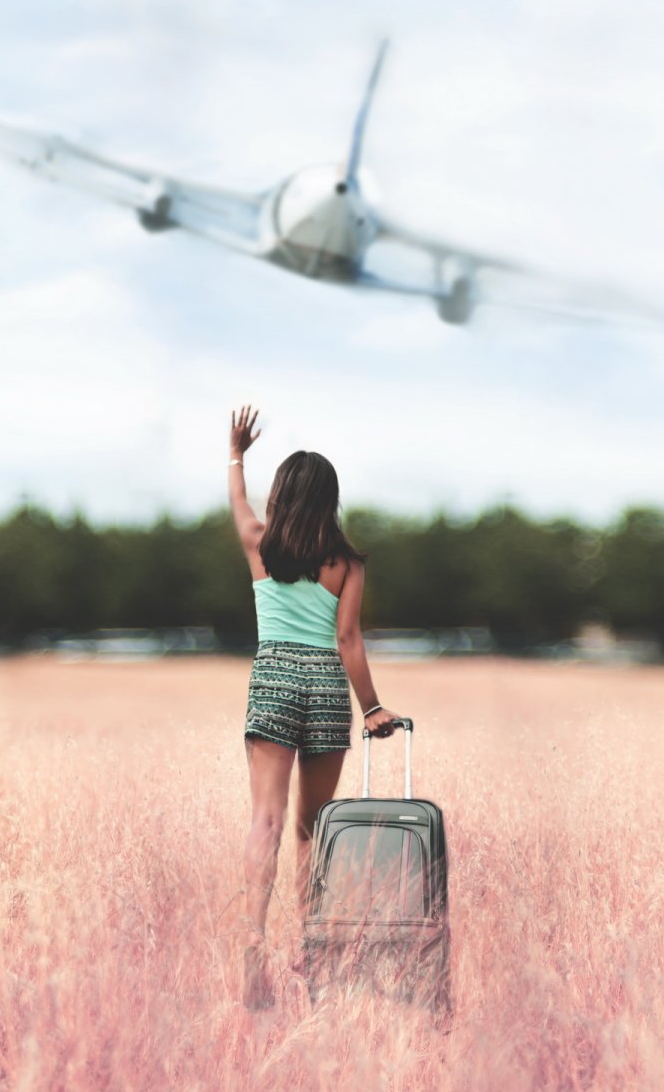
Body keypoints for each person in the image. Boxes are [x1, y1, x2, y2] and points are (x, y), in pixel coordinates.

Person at [227, 404, 399, 1012]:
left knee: (265, 822)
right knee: (311, 831)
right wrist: (373, 707)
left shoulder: (259, 545)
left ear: (282, 496)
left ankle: (252, 948)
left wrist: (237, 454)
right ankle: (313, 956)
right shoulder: (346, 563)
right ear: (330, 500)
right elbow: (349, 640)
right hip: (326, 689)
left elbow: (238, 505)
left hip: (273, 678)